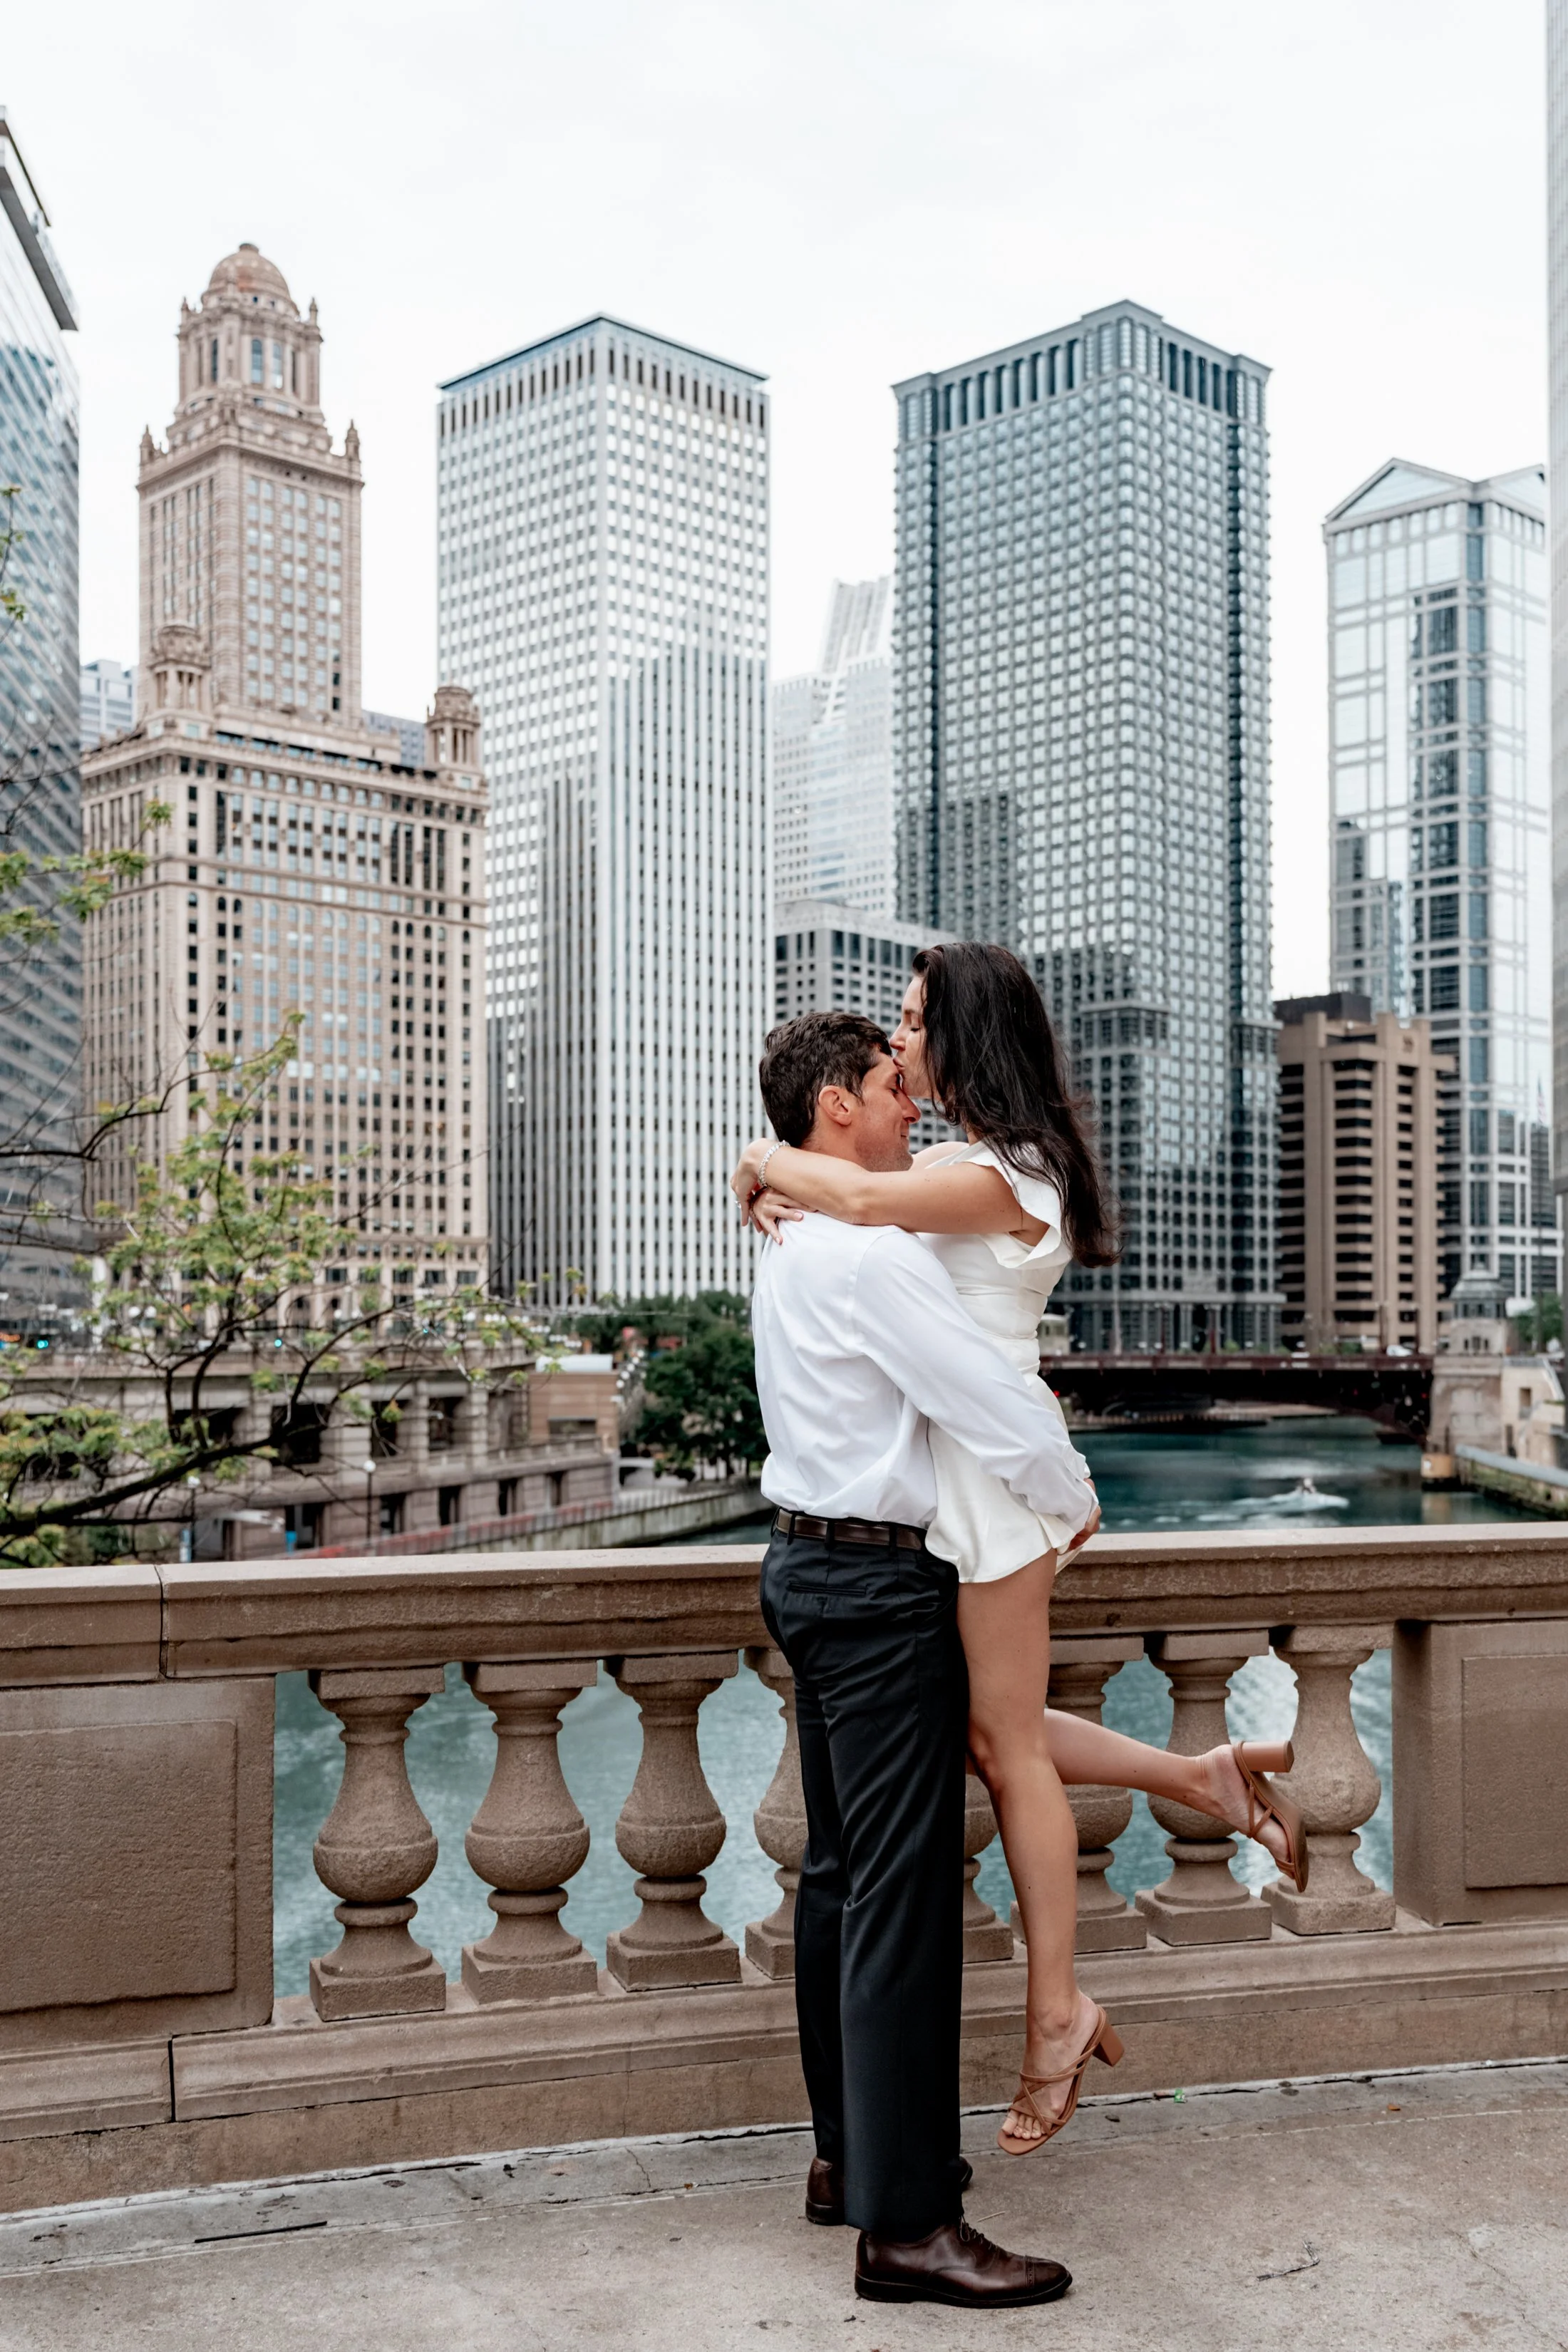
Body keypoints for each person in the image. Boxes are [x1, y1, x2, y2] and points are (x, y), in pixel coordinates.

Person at [735, 945, 1304, 2162]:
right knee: (977, 1722)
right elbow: (862, 1193)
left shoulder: (1017, 1175)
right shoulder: (960, 1161)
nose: (900, 1048)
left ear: (966, 1031)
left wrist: (764, 1162)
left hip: (998, 1481)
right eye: (889, 1032)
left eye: (912, 1023)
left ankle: (1058, 2015)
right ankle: (1201, 1782)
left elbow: (867, 1204)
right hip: (967, 1475)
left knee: (1001, 1745)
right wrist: (779, 1173)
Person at [751, 1009, 1094, 2309]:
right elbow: (987, 1397)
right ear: (838, 1104)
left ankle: (848, 2160)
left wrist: (764, 1170)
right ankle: (907, 2226)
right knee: (899, 1904)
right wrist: (1066, 1490)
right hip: (881, 1581)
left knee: (840, 1884)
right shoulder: (870, 1252)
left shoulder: (792, 1243)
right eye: (890, 1087)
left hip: (798, 1566)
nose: (908, 1110)